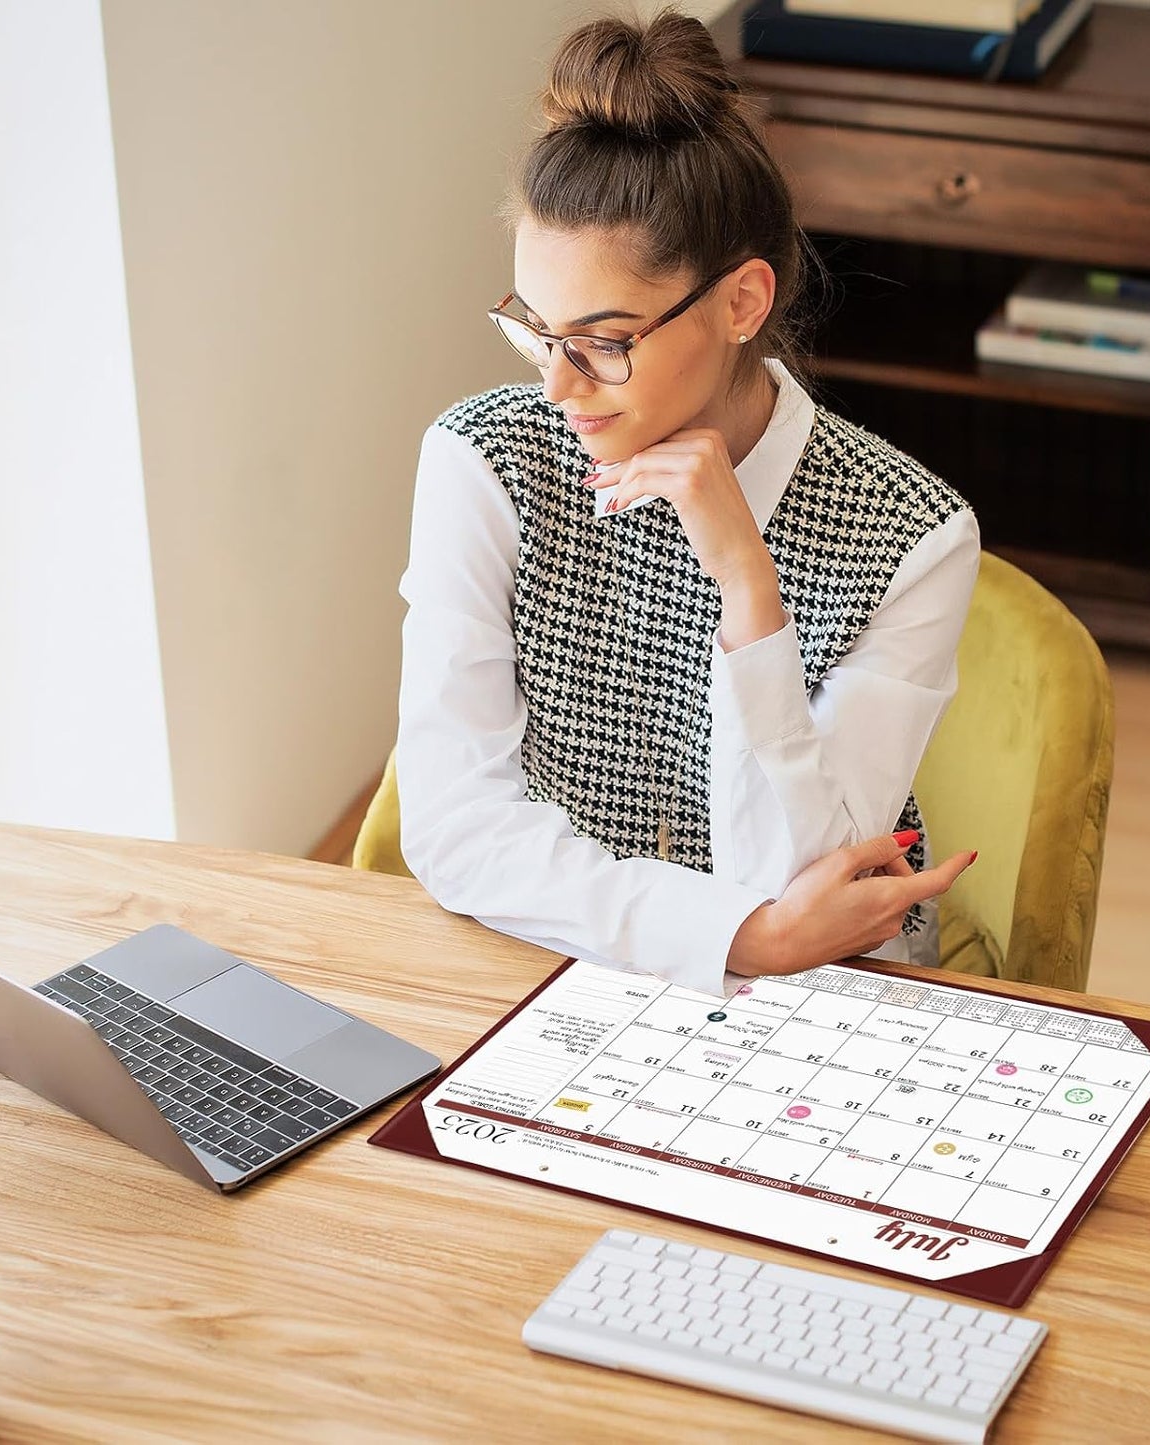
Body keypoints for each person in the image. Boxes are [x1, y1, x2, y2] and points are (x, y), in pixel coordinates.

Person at [395, 8, 979, 997]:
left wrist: (748, 589)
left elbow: (808, 886)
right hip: (551, 960)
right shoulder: (484, 460)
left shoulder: (913, 534)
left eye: (603, 340)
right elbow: (455, 829)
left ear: (740, 303)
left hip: (822, 997)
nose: (558, 386)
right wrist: (739, 937)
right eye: (536, 329)